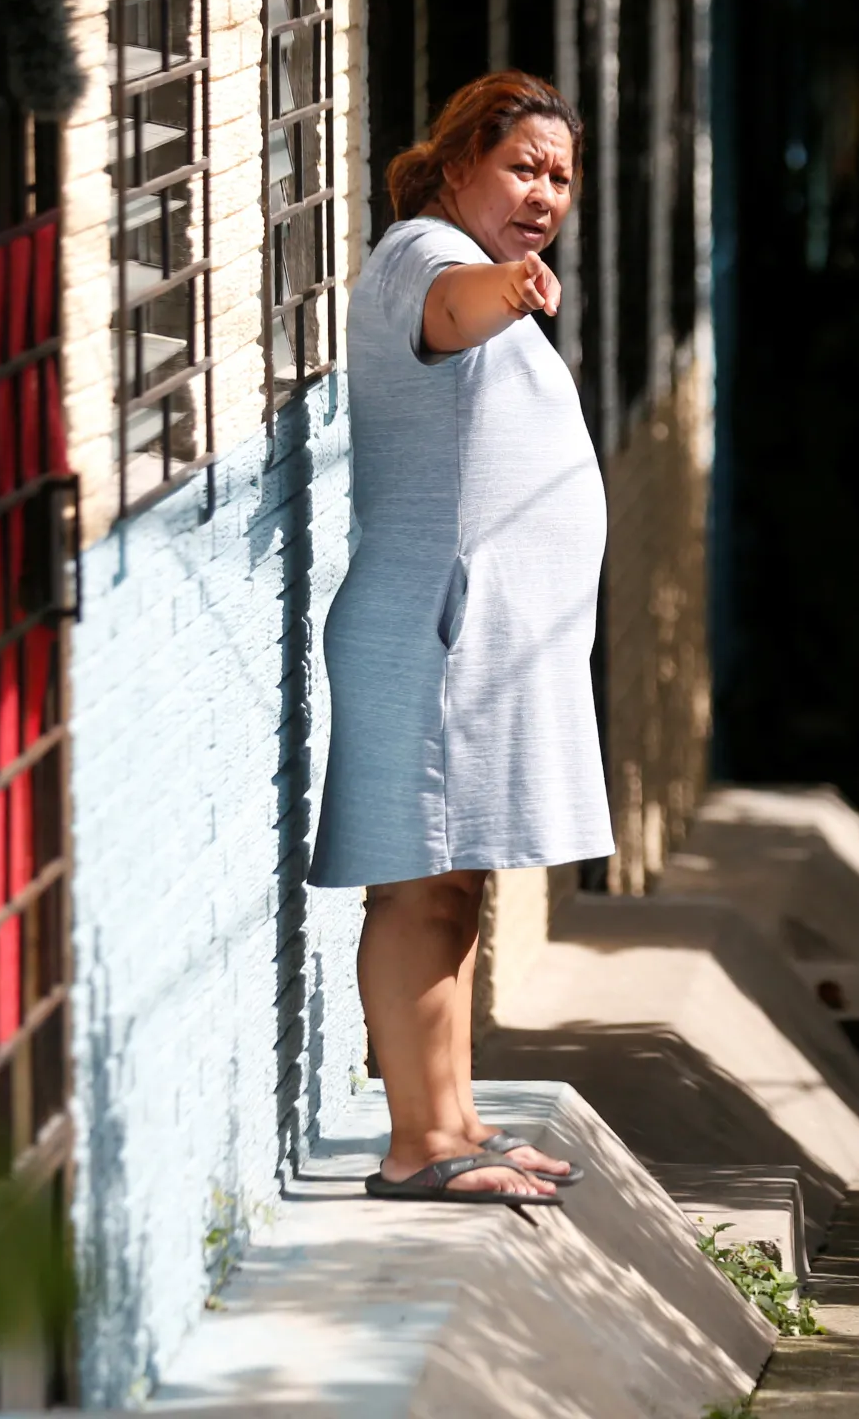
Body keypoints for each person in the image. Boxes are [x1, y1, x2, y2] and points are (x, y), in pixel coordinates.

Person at [310, 72, 612, 1205]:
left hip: (475, 642)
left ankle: (458, 1121)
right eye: (524, 167)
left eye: (563, 177)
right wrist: (510, 286)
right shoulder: (421, 257)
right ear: (454, 168)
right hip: (436, 632)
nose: (545, 193)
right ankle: (419, 1146)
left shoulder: (467, 258)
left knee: (458, 884)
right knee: (419, 888)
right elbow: (454, 308)